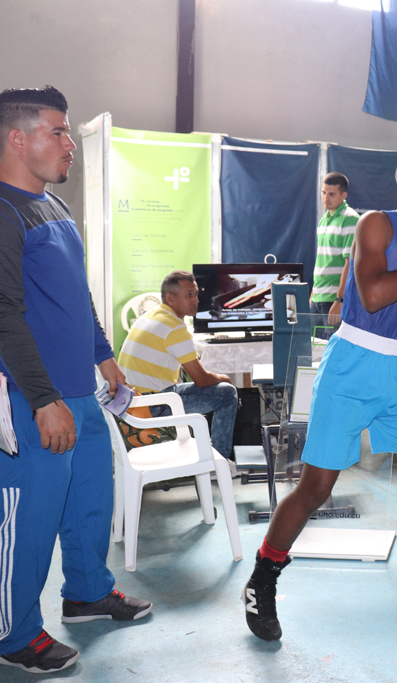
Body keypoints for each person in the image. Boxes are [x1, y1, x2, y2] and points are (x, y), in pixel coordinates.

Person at [242, 144, 397, 642]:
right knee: (317, 488)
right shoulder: (376, 225)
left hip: (396, 370)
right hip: (352, 366)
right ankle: (262, 579)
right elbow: (374, 296)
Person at [0, 86, 150, 675]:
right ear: (18, 138)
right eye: (58, 132)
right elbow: (3, 313)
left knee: (91, 499)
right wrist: (42, 400)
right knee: (30, 519)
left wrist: (104, 355)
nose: (71, 145)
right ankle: (13, 633)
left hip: (79, 392)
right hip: (30, 397)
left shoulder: (54, 206)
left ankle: (86, 592)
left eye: (68, 132)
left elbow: (76, 293)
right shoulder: (4, 211)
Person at [119, 270, 238, 459]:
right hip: (153, 404)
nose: (196, 300)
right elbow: (201, 380)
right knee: (227, 393)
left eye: (196, 294)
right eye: (189, 295)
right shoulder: (175, 328)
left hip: (130, 402)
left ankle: (213, 455)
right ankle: (220, 460)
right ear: (170, 299)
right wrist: (224, 378)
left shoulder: (150, 316)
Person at [309, 172, 359, 332]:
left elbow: (350, 264)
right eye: (323, 192)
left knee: (333, 347)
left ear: (343, 195)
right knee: (313, 346)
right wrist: (314, 293)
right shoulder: (324, 220)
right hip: (318, 298)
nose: (326, 198)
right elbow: (322, 261)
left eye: (331, 194)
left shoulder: (350, 218)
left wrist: (340, 300)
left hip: (334, 300)